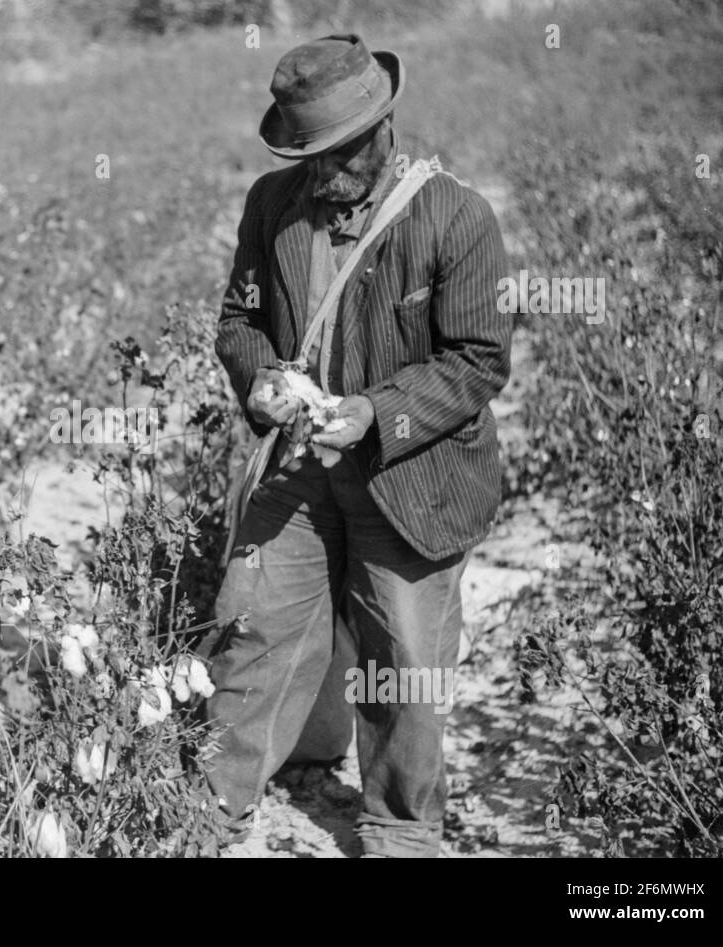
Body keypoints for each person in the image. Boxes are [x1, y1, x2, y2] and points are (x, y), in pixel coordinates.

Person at [199, 33, 512, 857]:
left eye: (339, 154)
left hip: (407, 472)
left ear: (383, 127)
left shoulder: (455, 216)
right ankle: (212, 805)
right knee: (250, 622)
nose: (323, 172)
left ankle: (401, 825)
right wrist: (263, 377)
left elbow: (479, 360)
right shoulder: (273, 204)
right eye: (309, 155)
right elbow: (240, 320)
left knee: (403, 655)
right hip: (301, 463)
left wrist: (376, 412)